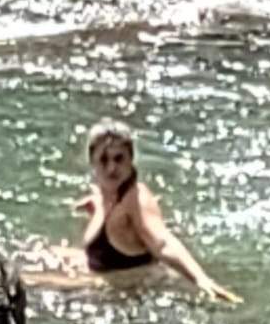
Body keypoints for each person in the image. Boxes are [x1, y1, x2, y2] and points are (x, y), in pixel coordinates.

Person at [73, 119, 241, 303]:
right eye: (104, 160)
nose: (112, 167)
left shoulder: (136, 200)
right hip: (104, 278)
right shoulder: (108, 195)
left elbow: (163, 243)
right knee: (42, 255)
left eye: (119, 159)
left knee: (36, 281)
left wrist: (200, 279)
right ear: (92, 163)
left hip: (128, 295)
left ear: (131, 159)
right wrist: (97, 204)